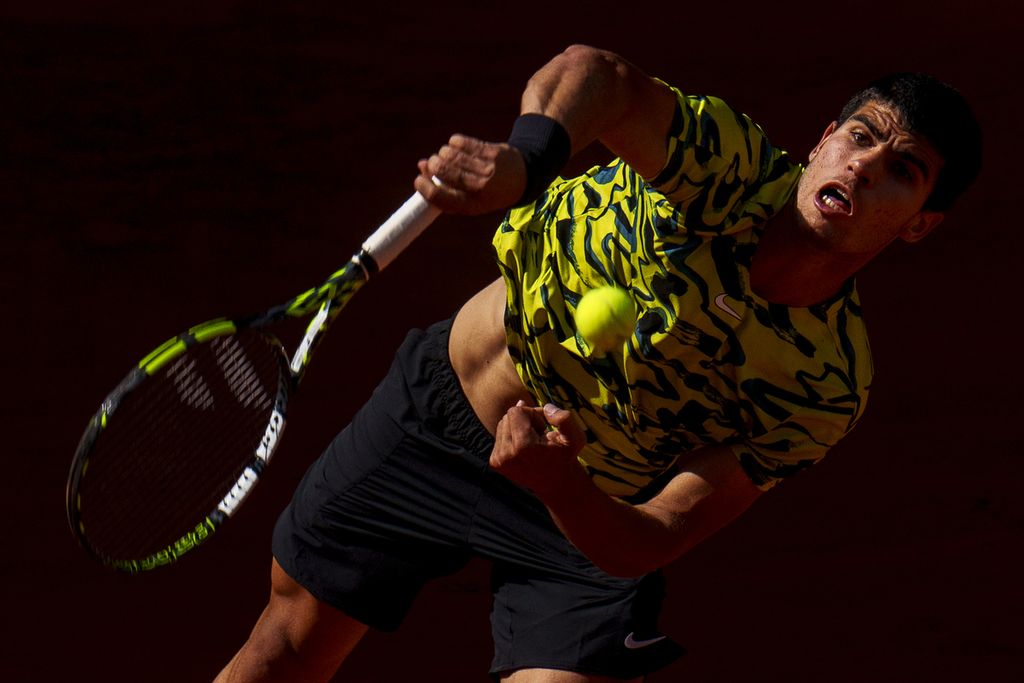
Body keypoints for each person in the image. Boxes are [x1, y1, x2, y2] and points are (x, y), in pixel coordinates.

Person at [214, 44, 981, 682]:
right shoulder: (728, 168)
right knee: (286, 645)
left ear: (919, 224)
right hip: (439, 413)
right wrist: (524, 165)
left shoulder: (825, 380)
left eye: (904, 167)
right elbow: (599, 77)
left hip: (583, 506)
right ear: (822, 141)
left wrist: (561, 484)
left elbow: (657, 531)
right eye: (860, 135)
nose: (866, 164)